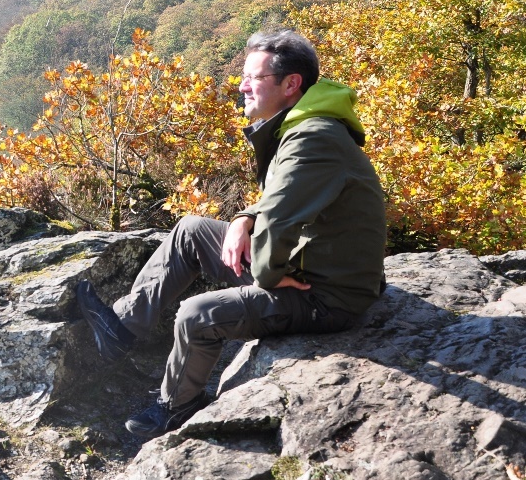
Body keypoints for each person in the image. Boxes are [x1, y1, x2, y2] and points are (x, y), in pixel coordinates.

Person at [76, 29, 386, 439]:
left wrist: (269, 277)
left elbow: (278, 219)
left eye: (253, 78)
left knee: (197, 316)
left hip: (328, 296)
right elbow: (287, 196)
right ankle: (122, 328)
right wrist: (243, 217)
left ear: (291, 84)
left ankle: (176, 406)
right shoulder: (305, 124)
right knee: (191, 230)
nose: (241, 86)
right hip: (312, 264)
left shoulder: (314, 139)